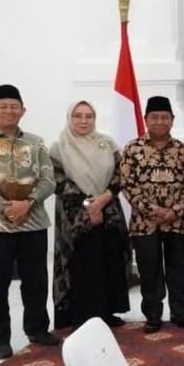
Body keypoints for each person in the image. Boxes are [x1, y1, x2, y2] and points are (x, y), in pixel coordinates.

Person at [0, 84, 60, 359]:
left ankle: (37, 330)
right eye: (2, 106)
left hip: (33, 224)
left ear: (23, 111)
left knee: (36, 283)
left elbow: (49, 180)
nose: (9, 111)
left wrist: (28, 203)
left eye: (14, 106)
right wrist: (5, 207)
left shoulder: (36, 143)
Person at [120, 96, 184, 334]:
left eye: (164, 117)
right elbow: (127, 184)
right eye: (154, 117)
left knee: (179, 270)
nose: (159, 122)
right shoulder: (132, 149)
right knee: (149, 271)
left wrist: (175, 211)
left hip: (178, 223)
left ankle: (179, 312)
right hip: (144, 224)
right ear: (145, 120)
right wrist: (154, 211)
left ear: (172, 120)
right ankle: (153, 315)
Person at [50, 101, 130, 330]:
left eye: (88, 116)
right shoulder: (59, 147)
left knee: (109, 261)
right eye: (77, 115)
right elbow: (58, 181)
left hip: (109, 212)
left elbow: (121, 174)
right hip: (74, 216)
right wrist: (90, 206)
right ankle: (82, 316)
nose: (83, 120)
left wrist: (103, 199)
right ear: (69, 118)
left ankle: (106, 312)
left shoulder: (107, 143)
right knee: (83, 263)